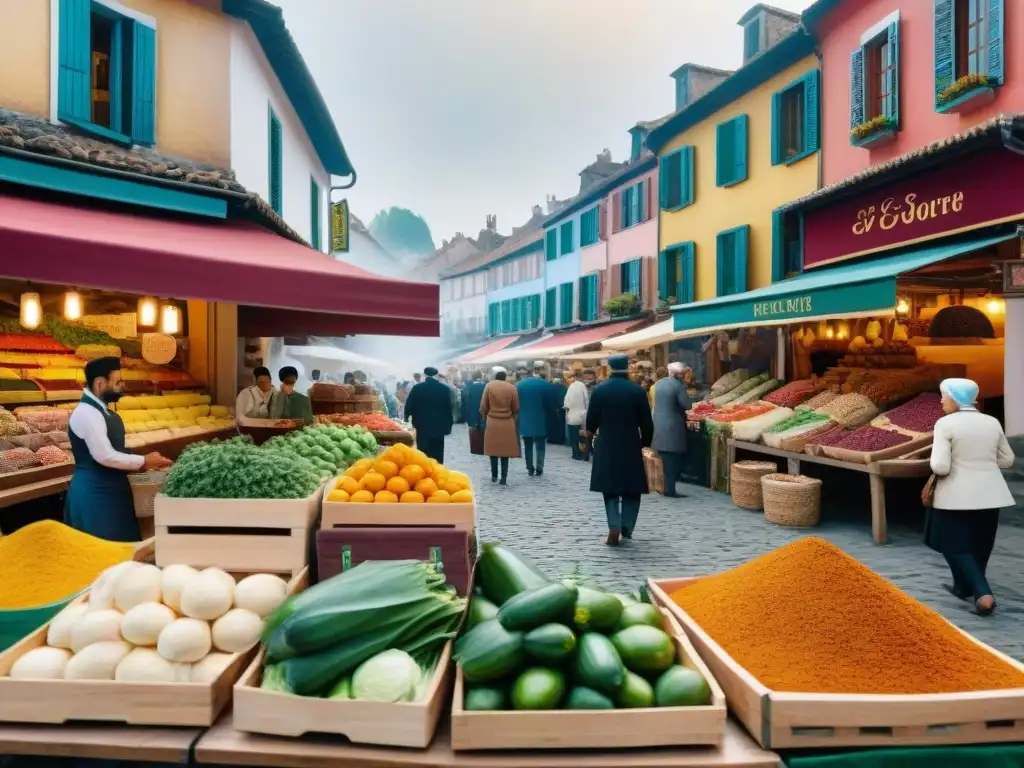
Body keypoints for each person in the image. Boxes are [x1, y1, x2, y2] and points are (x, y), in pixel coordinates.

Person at [927, 378, 1015, 617]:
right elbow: (1007, 459)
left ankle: (983, 594)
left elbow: (940, 466)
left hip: (957, 495)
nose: (942, 400)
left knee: (954, 546)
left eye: (944, 395)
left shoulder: (945, 424)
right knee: (981, 545)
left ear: (955, 397)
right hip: (992, 493)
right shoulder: (992, 422)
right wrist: (982, 464)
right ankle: (962, 587)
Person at [65, 357, 172, 541]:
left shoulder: (102, 410)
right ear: (100, 383)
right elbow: (105, 456)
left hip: (111, 490)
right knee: (102, 552)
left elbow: (115, 450)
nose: (122, 385)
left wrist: (143, 462)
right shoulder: (87, 413)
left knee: (123, 551)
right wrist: (144, 460)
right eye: (117, 381)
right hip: (95, 495)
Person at [586, 354, 654, 546]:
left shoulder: (599, 391)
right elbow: (647, 424)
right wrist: (644, 443)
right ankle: (627, 526)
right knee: (632, 488)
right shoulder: (637, 391)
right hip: (630, 443)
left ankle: (614, 524)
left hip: (607, 442)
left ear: (609, 369)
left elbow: (591, 421)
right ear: (628, 368)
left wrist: (592, 433)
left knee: (610, 488)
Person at [651, 362, 693, 498]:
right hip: (673, 427)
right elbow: (687, 405)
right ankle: (670, 490)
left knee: (664, 460)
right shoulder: (678, 386)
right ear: (678, 374)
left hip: (658, 424)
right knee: (673, 461)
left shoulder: (659, 384)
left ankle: (665, 487)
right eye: (682, 374)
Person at [402, 366, 453, 462]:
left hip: (422, 426)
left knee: (423, 453)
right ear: (437, 375)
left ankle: (424, 472)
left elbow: (409, 405)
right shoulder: (445, 389)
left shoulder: (417, 388)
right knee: (438, 453)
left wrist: (406, 418)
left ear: (424, 375)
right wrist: (449, 426)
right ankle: (437, 472)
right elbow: (448, 408)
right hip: (439, 428)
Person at [480, 367, 520, 484]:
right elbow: (516, 407)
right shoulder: (512, 388)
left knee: (493, 450)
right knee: (505, 452)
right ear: (505, 378)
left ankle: (494, 475)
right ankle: (504, 477)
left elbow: (483, 405)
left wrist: (484, 415)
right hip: (507, 422)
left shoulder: (489, 386)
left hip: (492, 421)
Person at [517, 361, 550, 476]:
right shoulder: (545, 385)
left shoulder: (520, 385)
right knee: (541, 445)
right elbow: (549, 404)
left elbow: (516, 404)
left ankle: (530, 467)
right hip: (541, 419)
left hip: (525, 419)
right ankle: (540, 466)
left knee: (528, 445)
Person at [564, 372, 590, 460]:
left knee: (573, 437)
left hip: (571, 416)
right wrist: (586, 411)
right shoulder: (582, 386)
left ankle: (575, 454)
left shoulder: (571, 386)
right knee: (582, 436)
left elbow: (566, 400)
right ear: (581, 377)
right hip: (581, 415)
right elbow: (586, 400)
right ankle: (583, 453)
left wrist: (567, 410)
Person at [462, 371, 487, 454]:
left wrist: (465, 416)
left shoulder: (467, 388)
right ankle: (484, 448)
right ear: (480, 377)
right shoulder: (485, 387)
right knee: (484, 429)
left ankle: (475, 448)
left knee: (473, 431)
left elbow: (464, 402)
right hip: (484, 412)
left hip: (471, 412)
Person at [546, 374, 568, 446]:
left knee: (551, 424)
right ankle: (560, 439)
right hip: (561, 410)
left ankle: (551, 438)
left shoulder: (548, 387)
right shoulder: (564, 388)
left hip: (550, 410)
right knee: (560, 425)